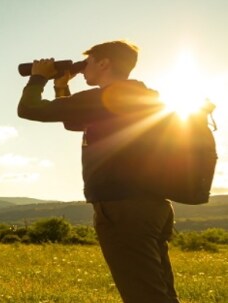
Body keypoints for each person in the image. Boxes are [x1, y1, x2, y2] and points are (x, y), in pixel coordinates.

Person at [17, 40, 179, 303]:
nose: (83, 70)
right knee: (159, 291)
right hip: (152, 206)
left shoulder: (105, 97)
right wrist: (61, 85)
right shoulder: (136, 97)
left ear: (104, 63)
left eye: (88, 63)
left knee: (143, 296)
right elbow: (73, 122)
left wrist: (37, 78)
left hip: (122, 208)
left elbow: (29, 109)